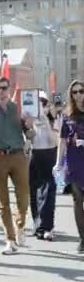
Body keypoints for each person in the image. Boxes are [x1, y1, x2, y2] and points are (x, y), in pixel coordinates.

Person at [0, 77, 35, 255]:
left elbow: (30, 135)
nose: (1, 92)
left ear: (9, 90)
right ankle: (10, 240)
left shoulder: (18, 109)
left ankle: (20, 226)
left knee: (24, 198)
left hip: (18, 156)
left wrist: (30, 126)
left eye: (4, 88)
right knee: (3, 203)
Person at [55, 80, 84, 253]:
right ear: (71, 95)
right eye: (75, 92)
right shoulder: (67, 116)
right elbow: (62, 141)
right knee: (77, 200)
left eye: (81, 91)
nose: (78, 94)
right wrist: (58, 163)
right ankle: (82, 238)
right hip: (73, 163)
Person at [29, 91, 59, 241]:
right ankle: (37, 224)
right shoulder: (29, 119)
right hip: (33, 156)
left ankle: (47, 226)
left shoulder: (53, 120)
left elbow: (56, 140)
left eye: (44, 102)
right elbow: (27, 139)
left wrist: (46, 122)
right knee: (33, 191)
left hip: (49, 155)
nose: (41, 105)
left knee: (48, 192)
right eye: (38, 102)